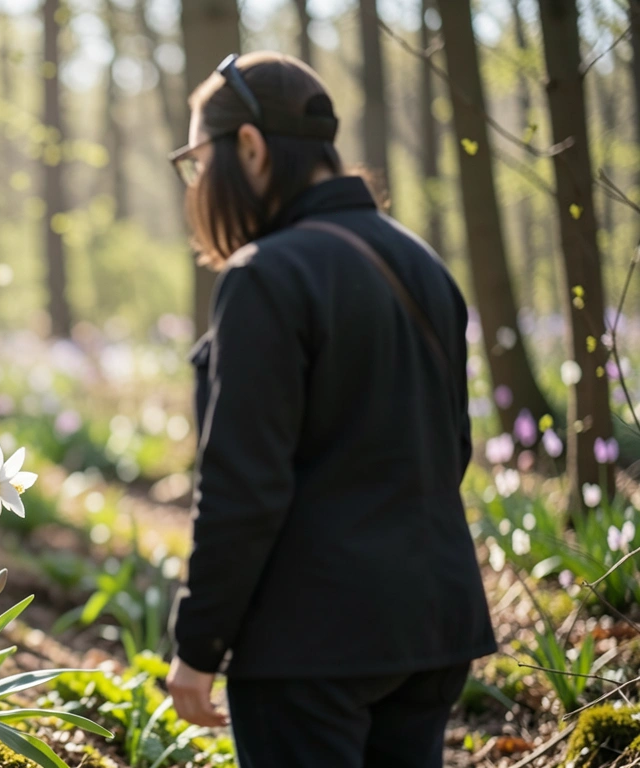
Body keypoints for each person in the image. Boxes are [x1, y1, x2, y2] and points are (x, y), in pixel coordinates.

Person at [162, 52, 496, 768]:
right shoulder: (423, 263)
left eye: (197, 161)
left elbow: (243, 488)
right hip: (433, 629)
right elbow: (452, 450)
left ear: (248, 145)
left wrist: (198, 647)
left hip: (308, 647)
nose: (196, 184)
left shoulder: (266, 275)